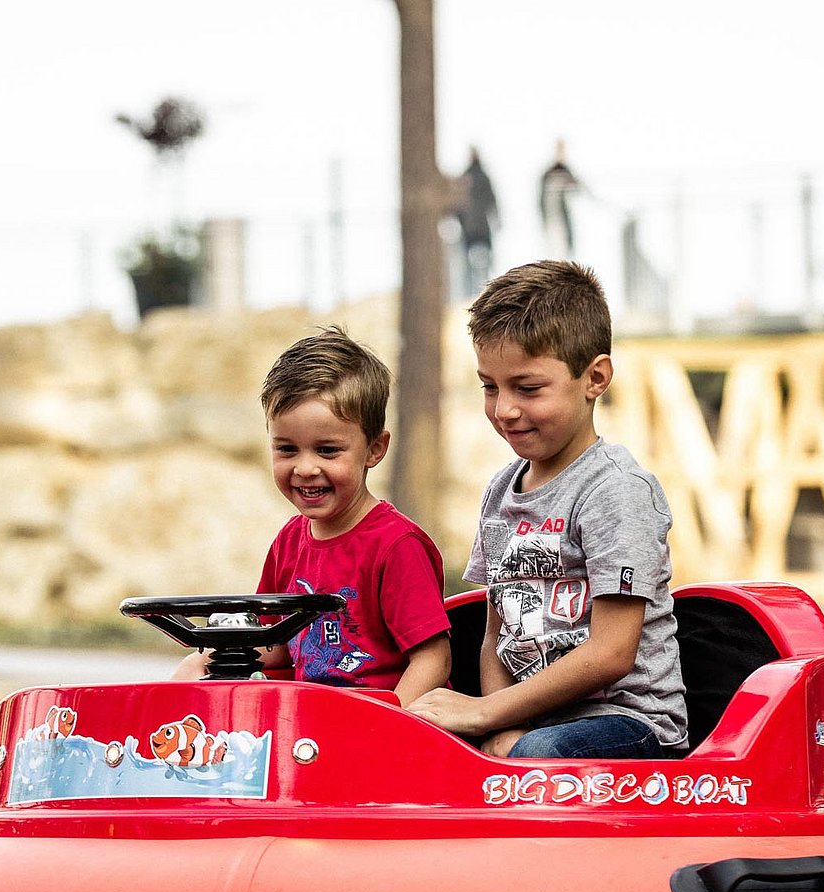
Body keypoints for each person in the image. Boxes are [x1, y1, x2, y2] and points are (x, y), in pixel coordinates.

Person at [408, 260, 687, 759]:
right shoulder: (500, 492)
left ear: (595, 377)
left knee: (539, 754)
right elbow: (497, 634)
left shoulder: (615, 491)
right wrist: (496, 724)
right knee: (416, 751)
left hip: (627, 723)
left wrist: (488, 714)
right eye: (489, 386)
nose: (504, 409)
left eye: (528, 388)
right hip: (528, 716)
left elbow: (611, 653)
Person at [174, 327, 452, 702]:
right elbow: (275, 644)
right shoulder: (289, 542)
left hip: (382, 727)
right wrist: (206, 658)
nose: (305, 468)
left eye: (327, 450)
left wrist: (390, 724)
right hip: (311, 725)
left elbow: (433, 659)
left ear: (374, 449)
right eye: (287, 449)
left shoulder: (396, 546)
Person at [453, 147, 499, 297]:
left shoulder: (464, 178)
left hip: (469, 229)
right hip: (481, 228)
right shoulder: (482, 177)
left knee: (469, 266)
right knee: (484, 264)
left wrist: (459, 221)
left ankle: (472, 295)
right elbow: (492, 201)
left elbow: (457, 206)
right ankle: (484, 294)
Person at [539, 140, 580, 259]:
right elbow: (541, 200)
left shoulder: (568, 173)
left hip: (564, 221)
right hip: (551, 222)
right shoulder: (547, 174)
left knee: (565, 252)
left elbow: (578, 192)